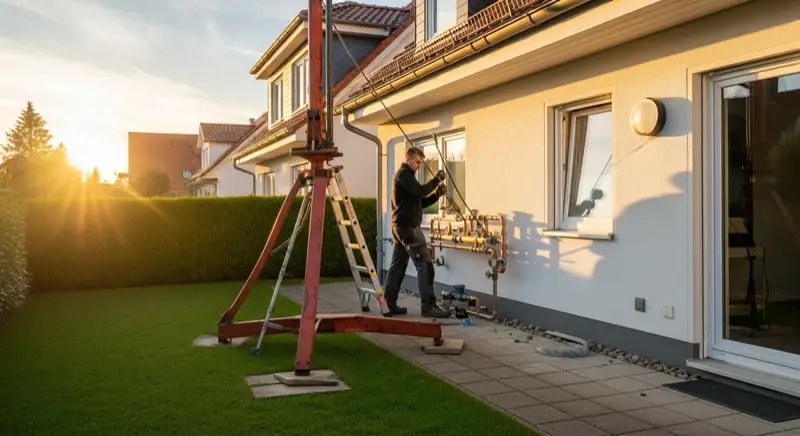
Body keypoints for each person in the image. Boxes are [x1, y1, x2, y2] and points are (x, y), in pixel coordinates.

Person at [383, 146, 450, 318]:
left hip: (402, 227)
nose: (419, 166)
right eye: (418, 162)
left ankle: (389, 305)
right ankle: (428, 307)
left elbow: (420, 200)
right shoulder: (404, 175)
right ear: (409, 160)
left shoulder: (407, 178)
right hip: (408, 229)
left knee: (398, 266)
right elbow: (420, 191)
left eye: (421, 163)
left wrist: (436, 195)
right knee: (426, 267)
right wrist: (437, 179)